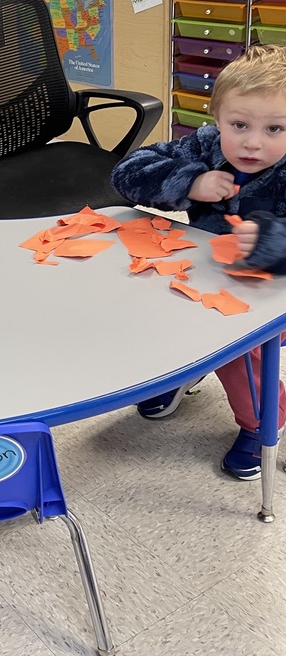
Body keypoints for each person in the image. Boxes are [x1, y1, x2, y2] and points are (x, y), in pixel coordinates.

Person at [110, 43, 286, 480]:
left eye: (275, 129)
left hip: (268, 298)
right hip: (202, 276)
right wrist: (191, 182)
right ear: (217, 117)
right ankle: (181, 374)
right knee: (162, 317)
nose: (252, 142)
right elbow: (126, 175)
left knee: (237, 352)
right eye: (239, 124)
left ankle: (266, 419)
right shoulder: (207, 146)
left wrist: (270, 242)